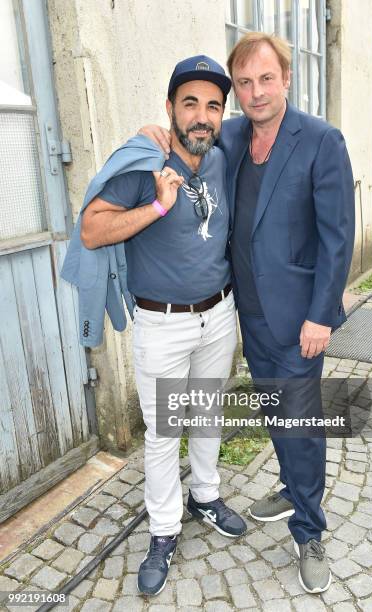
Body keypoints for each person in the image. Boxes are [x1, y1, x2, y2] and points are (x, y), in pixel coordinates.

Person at [140, 33, 355, 594]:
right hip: (247, 314)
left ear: (286, 79)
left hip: (299, 320)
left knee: (301, 423)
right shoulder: (232, 135)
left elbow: (338, 238)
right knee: (274, 412)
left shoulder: (320, 141)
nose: (255, 92)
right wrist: (149, 137)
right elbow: (185, 139)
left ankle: (309, 532)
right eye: (244, 83)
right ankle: (291, 486)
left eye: (266, 79)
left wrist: (323, 315)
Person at [80, 55, 247, 597]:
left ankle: (205, 495)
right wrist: (156, 205)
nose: (201, 116)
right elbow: (91, 230)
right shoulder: (145, 165)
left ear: (223, 114)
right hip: (163, 324)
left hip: (219, 314)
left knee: (207, 415)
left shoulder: (221, 157)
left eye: (213, 106)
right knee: (163, 432)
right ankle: (164, 530)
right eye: (190, 103)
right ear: (170, 108)